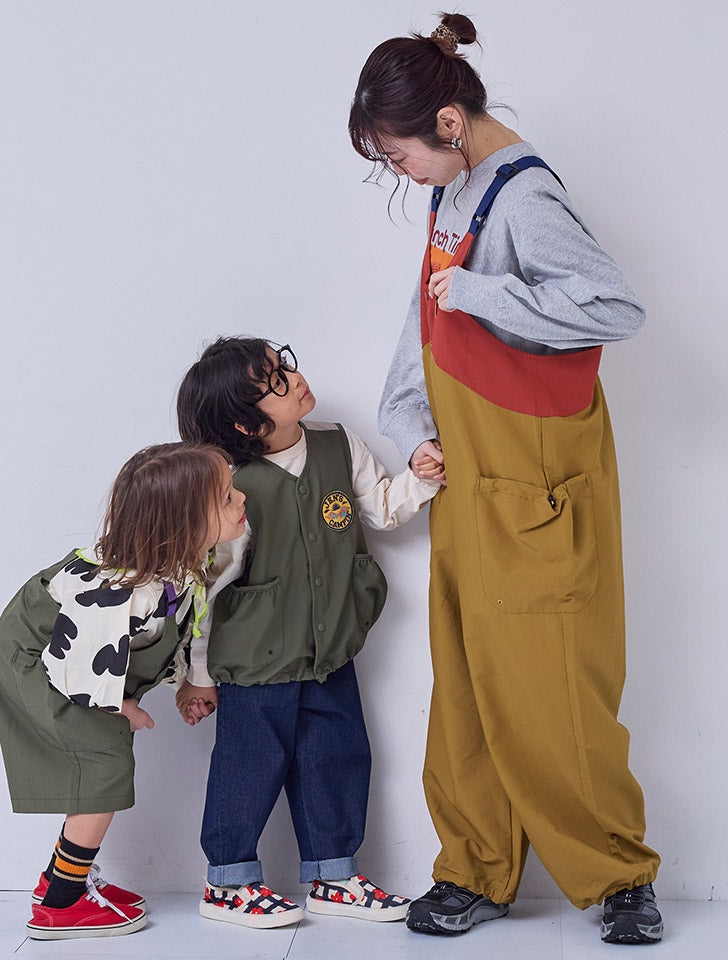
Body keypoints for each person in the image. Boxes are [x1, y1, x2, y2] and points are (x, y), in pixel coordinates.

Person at [348, 11, 662, 946]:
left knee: (557, 691)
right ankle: (475, 868)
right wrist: (413, 428)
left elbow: (616, 306)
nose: (400, 175)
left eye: (398, 155)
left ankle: (620, 878)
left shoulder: (523, 197)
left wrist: (486, 292)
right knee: (468, 692)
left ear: (448, 123)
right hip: (471, 482)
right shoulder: (454, 193)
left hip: (540, 488)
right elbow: (422, 333)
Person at [175, 336, 442, 929]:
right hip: (254, 659)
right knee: (249, 764)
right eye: (274, 382)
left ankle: (334, 875)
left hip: (330, 648)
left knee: (338, 755)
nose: (293, 379)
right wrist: (197, 676)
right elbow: (206, 590)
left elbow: (382, 508)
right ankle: (228, 881)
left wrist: (422, 477)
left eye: (285, 366)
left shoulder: (336, 444)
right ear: (245, 425)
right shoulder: (230, 484)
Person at [0, 442, 247, 940]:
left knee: (101, 762)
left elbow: (177, 625)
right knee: (101, 767)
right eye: (227, 498)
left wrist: (184, 681)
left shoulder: (180, 564)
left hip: (72, 662)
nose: (242, 500)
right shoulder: (119, 591)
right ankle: (61, 905)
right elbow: (78, 663)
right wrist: (123, 707)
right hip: (41, 664)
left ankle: (58, 881)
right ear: (183, 523)